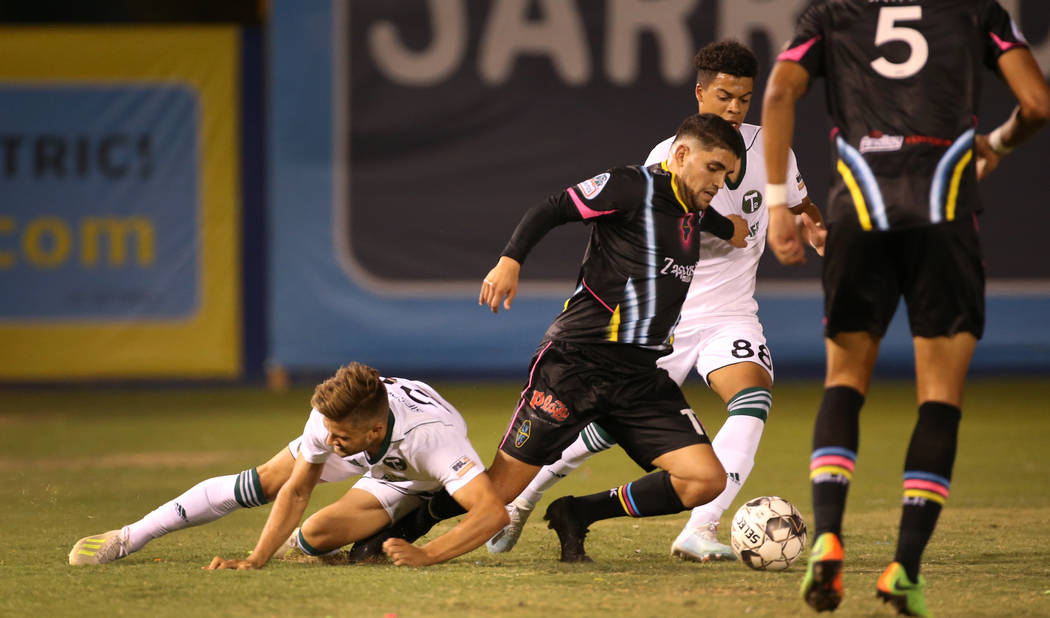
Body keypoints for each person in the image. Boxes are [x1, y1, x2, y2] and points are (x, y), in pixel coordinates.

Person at [484, 39, 827, 564]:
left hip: (732, 313)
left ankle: (700, 527)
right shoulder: (669, 158)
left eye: (744, 99)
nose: (735, 109)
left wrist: (814, 230)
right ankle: (524, 501)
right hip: (658, 321)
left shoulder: (772, 152)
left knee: (752, 400)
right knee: (597, 425)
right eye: (724, 96)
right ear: (699, 94)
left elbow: (801, 207)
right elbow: (623, 234)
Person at [762, 1, 1050, 615]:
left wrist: (780, 203)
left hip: (859, 213)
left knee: (844, 384)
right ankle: (904, 569)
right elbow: (1038, 104)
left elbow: (781, 90)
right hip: (946, 214)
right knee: (939, 398)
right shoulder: (976, 10)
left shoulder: (833, 13)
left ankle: (829, 538)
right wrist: (995, 143)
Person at [376, 113, 750, 567]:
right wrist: (509, 260)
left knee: (704, 481)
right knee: (498, 494)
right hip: (574, 366)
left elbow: (704, 218)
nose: (720, 181)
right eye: (714, 168)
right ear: (682, 154)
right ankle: (411, 530)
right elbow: (553, 207)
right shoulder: (631, 186)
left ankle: (579, 511)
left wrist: (732, 228)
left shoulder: (693, 207)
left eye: (726, 174)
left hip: (638, 377)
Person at [68, 362, 506, 569]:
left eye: (340, 437)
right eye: (328, 432)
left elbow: (491, 511)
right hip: (385, 466)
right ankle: (129, 537)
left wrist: (426, 556)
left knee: (468, 499)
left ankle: (430, 510)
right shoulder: (333, 421)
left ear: (373, 431)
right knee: (279, 496)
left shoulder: (432, 439)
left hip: (420, 478)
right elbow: (297, 489)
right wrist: (257, 558)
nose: (329, 444)